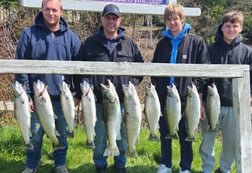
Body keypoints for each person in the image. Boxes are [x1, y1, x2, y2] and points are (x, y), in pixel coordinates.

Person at [73, 4, 143, 173]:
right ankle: (100, 165)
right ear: (102, 19)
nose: (111, 21)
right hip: (97, 101)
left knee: (124, 138)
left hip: (124, 102)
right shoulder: (89, 43)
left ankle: (121, 165)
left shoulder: (130, 44)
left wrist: (130, 86)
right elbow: (78, 70)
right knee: (100, 139)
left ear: (120, 20)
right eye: (108, 17)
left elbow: (140, 69)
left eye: (115, 18)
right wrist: (84, 87)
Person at [15, 0, 81, 172]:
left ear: (61, 11)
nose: (51, 13)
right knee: (34, 135)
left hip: (61, 99)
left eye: (54, 10)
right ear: (41, 10)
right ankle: (31, 165)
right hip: (36, 98)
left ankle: (60, 164)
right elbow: (20, 66)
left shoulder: (72, 38)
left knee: (60, 135)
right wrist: (27, 95)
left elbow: (80, 69)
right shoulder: (29, 34)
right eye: (47, 10)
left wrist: (77, 94)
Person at [151, 3, 209, 173]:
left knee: (186, 134)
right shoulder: (162, 44)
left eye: (175, 18)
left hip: (187, 97)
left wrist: (195, 90)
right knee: (165, 133)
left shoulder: (196, 42)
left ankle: (185, 167)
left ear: (182, 19)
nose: (172, 22)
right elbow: (154, 68)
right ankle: (165, 164)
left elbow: (204, 70)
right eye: (169, 19)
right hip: (164, 97)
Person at [199, 11, 252, 173]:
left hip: (235, 106)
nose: (231, 29)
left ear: (240, 28)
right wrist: (200, 102)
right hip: (210, 104)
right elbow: (202, 78)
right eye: (227, 26)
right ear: (221, 28)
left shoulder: (247, 52)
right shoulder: (210, 49)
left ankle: (224, 169)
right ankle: (207, 169)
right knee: (207, 142)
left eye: (235, 26)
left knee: (231, 143)